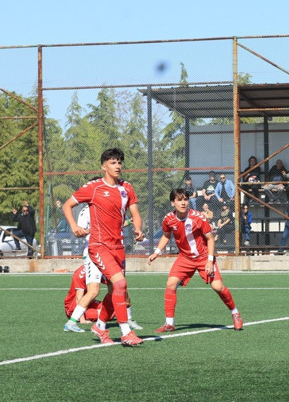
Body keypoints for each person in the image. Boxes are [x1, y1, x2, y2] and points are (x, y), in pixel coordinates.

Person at [61, 148, 145, 346]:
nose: (117, 166)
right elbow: (67, 205)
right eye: (113, 162)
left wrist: (139, 229)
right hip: (99, 246)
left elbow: (136, 214)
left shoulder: (127, 188)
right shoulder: (93, 187)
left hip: (118, 247)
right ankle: (126, 332)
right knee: (120, 285)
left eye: (119, 162)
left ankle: (99, 326)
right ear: (103, 166)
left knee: (115, 291)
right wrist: (74, 226)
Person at [148, 188, 243, 332]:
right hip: (185, 258)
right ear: (173, 203)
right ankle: (169, 323)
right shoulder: (169, 219)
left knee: (217, 287)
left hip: (204, 257)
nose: (183, 202)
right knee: (171, 284)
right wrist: (156, 252)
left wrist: (210, 261)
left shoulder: (198, 217)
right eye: (179, 200)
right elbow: (166, 235)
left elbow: (210, 239)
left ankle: (235, 313)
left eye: (185, 199)